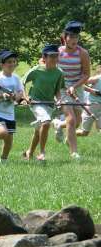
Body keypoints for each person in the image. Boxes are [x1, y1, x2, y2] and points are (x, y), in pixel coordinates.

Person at [53, 21, 90, 159]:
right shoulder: (57, 52)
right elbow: (44, 64)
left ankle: (58, 125)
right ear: (65, 37)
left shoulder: (83, 53)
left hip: (77, 88)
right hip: (62, 89)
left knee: (78, 121)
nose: (74, 40)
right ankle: (74, 152)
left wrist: (74, 86)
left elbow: (86, 74)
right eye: (71, 37)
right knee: (71, 119)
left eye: (76, 37)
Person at [22, 44, 64, 161]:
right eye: (51, 56)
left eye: (56, 56)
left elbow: (57, 91)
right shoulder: (36, 70)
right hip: (36, 102)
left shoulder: (59, 73)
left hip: (49, 104)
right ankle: (42, 153)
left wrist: (59, 100)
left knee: (40, 129)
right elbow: (22, 83)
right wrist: (26, 97)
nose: (55, 59)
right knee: (46, 123)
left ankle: (29, 152)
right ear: (44, 58)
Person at [0, 49, 26, 163]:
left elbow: (20, 92)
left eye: (14, 61)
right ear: (2, 64)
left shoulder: (16, 78)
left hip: (9, 113)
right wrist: (3, 96)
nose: (12, 64)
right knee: (3, 133)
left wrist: (17, 97)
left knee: (9, 139)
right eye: (9, 62)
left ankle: (3, 161)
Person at [76, 69, 101, 136]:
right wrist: (91, 90)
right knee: (84, 133)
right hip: (92, 107)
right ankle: (70, 136)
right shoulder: (97, 78)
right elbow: (80, 84)